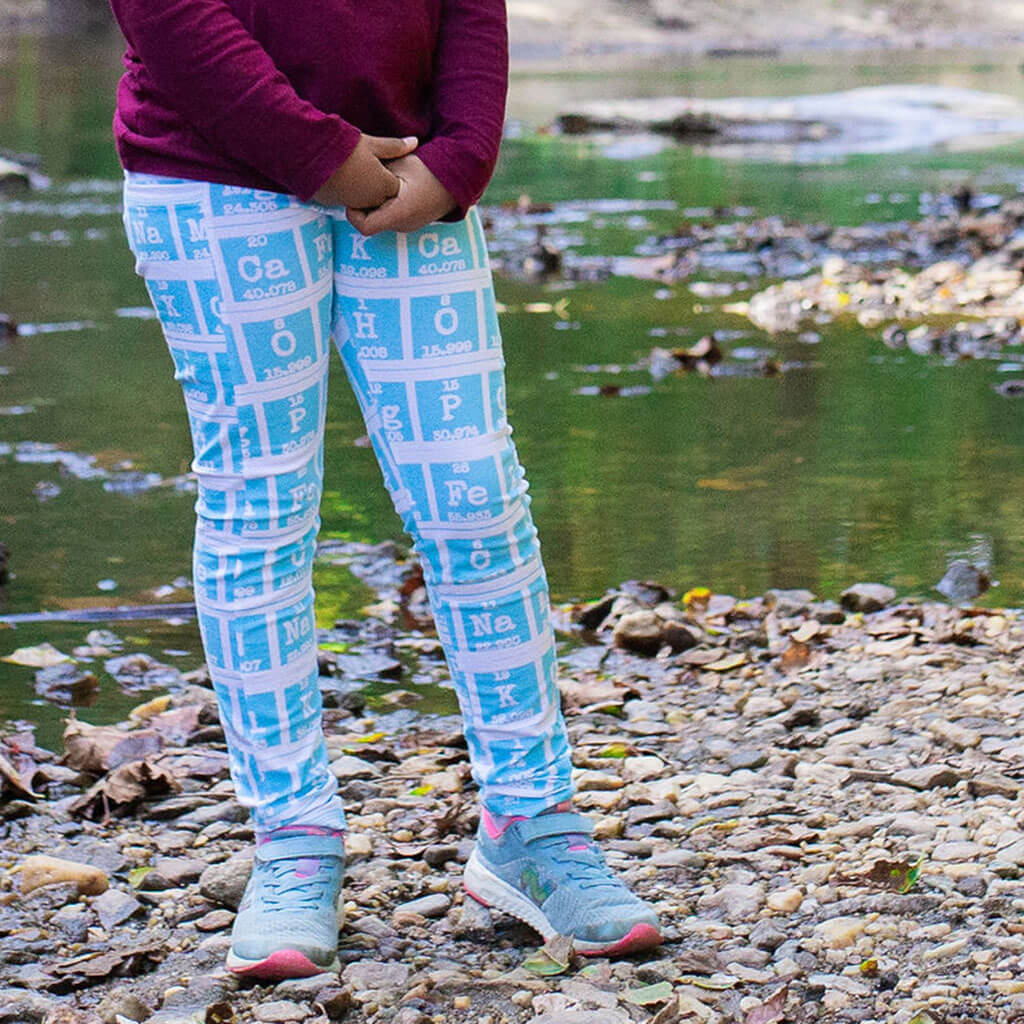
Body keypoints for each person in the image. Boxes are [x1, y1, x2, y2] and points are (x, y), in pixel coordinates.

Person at [107, 0, 661, 980]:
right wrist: (319, 154)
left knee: (473, 491)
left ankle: (529, 822)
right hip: (214, 180)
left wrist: (459, 160)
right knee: (259, 501)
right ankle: (294, 834)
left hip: (409, 184)